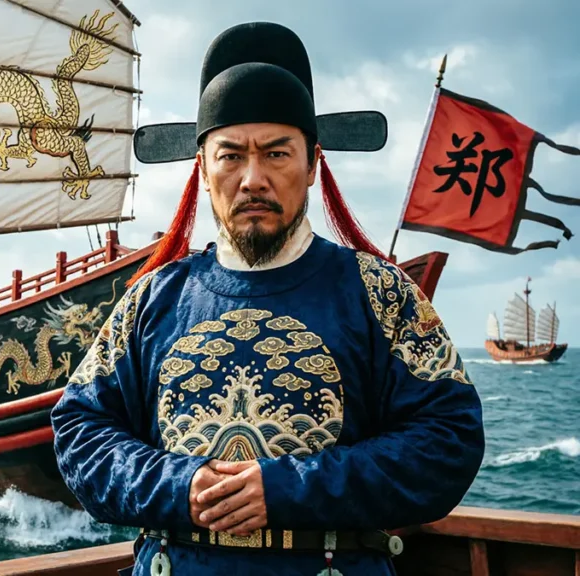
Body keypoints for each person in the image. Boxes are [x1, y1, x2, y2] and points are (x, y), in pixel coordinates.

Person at [50, 21, 485, 576]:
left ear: (311, 165)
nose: (253, 178)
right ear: (203, 171)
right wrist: (183, 485)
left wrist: (285, 488)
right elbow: (80, 433)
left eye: (277, 154)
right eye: (230, 156)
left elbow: (449, 440)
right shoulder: (154, 299)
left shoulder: (381, 293)